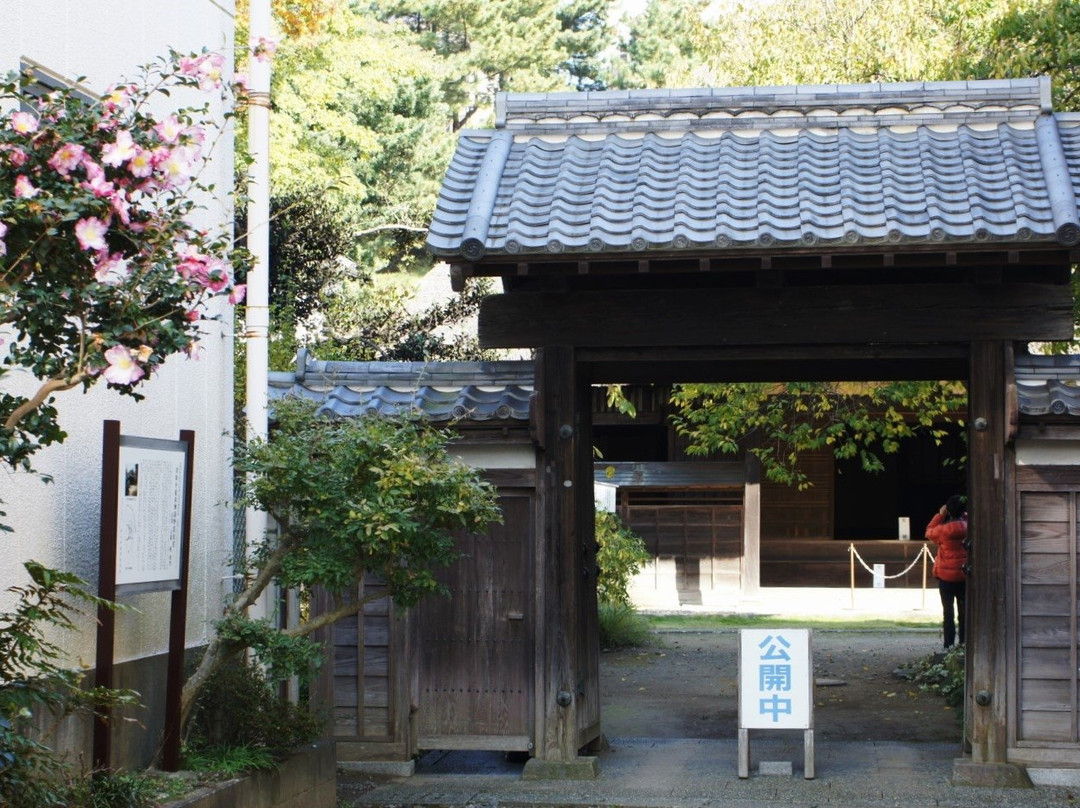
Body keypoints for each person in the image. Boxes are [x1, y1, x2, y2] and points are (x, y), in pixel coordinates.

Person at [924, 495, 968, 649]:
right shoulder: (969, 527)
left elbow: (929, 532)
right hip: (964, 575)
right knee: (964, 612)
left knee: (948, 612)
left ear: (948, 510)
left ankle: (948, 644)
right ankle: (964, 643)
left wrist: (940, 515)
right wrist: (964, 514)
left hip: (946, 577)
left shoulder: (942, 530)